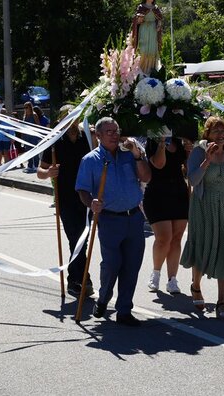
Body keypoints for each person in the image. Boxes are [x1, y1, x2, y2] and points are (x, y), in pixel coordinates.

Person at [76, 117, 151, 326]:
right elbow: (82, 189)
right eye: (108, 131)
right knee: (112, 264)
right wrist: (91, 203)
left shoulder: (129, 156)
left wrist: (138, 156)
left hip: (134, 217)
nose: (113, 135)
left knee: (132, 265)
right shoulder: (90, 160)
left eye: (116, 131)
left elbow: (146, 177)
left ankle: (124, 310)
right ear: (98, 136)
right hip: (109, 219)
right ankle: (103, 297)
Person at [181, 117, 224, 320]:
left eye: (223, 131)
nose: (220, 135)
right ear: (207, 134)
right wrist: (207, 160)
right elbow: (192, 180)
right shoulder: (198, 153)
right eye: (215, 131)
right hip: (202, 206)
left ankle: (221, 302)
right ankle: (196, 286)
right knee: (203, 245)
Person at [39, 114, 95, 296]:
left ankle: (77, 278)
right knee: (75, 238)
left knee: (84, 240)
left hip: (86, 196)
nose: (72, 124)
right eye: (67, 120)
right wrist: (49, 172)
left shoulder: (87, 138)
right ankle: (80, 278)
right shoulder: (55, 141)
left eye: (75, 119)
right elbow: (40, 171)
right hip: (66, 198)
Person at [141, 132, 190, 295]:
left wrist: (190, 151)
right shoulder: (152, 141)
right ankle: (156, 273)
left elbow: (188, 169)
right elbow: (159, 164)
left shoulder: (179, 141)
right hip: (157, 194)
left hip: (178, 193)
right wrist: (162, 141)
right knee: (164, 238)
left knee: (176, 238)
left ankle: (172, 279)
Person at [130, 0, 164, 75]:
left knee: (152, 50)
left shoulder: (156, 8)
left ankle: (151, 70)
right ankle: (141, 71)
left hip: (153, 30)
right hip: (144, 29)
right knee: (143, 49)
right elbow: (136, 21)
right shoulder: (141, 7)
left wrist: (159, 25)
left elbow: (159, 19)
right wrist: (139, 19)